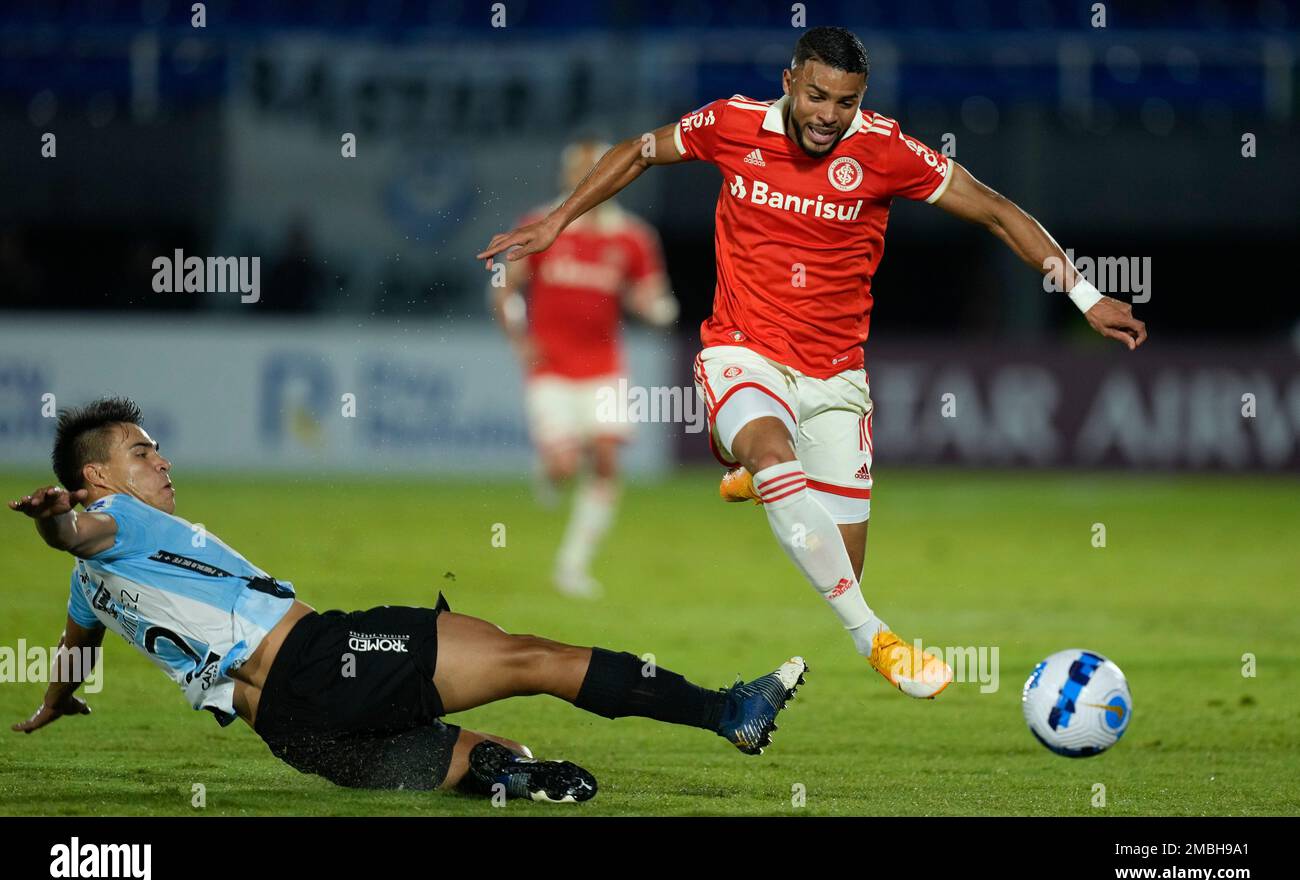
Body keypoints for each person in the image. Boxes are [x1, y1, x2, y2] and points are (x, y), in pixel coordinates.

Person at [478, 26, 1147, 699]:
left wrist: (1085, 294)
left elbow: (998, 211)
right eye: (819, 95)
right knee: (775, 458)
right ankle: (875, 636)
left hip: (836, 375)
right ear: (790, 80)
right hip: (744, 350)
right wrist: (559, 220)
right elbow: (639, 151)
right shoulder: (731, 123)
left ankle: (753, 468)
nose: (830, 115)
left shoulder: (885, 150)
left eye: (847, 102)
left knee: (838, 560)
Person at [9, 397, 807, 803]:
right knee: (532, 657)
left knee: (494, 749)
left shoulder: (94, 581)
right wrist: (59, 518)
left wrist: (55, 701)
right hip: (321, 662)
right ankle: (726, 712)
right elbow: (79, 532)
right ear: (101, 479)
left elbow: (77, 638)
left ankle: (509, 779)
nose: (163, 462)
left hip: (293, 738)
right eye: (144, 452)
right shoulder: (120, 521)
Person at [490, 137, 679, 599]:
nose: (588, 180)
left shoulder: (632, 237)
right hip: (550, 366)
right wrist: (517, 337)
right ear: (566, 176)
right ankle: (549, 470)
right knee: (564, 464)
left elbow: (648, 291)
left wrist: (656, 308)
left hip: (603, 367)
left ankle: (572, 566)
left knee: (607, 460)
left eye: (597, 172)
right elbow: (504, 284)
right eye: (580, 172)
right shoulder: (540, 225)